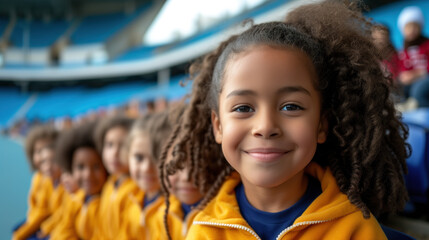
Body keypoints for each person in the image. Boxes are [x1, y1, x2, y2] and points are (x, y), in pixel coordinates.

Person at [162, 1, 410, 239]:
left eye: (291, 106)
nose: (266, 127)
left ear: (321, 124)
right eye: (243, 107)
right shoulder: (203, 231)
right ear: (218, 126)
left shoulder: (355, 230)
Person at [118, 111, 171, 239]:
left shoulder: (174, 210)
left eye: (157, 158)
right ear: (127, 155)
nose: (147, 168)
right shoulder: (129, 198)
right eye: (139, 157)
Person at [50, 122, 107, 239]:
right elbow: (64, 231)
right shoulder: (76, 199)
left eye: (96, 167)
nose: (87, 175)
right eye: (80, 167)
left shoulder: (107, 205)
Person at [155, 104, 204, 240]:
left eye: (197, 164)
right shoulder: (162, 215)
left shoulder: (223, 219)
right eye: (177, 165)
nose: (186, 176)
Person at [92, 116, 139, 240]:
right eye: (109, 145)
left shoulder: (136, 190)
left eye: (123, 145)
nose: (115, 152)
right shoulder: (109, 184)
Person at [13, 125, 59, 240]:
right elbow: (33, 209)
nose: (44, 155)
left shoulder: (56, 180)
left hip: (48, 225)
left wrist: (21, 234)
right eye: (38, 151)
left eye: (49, 149)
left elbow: (44, 213)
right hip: (38, 222)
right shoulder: (37, 177)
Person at [397, 6, 429, 108]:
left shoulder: (426, 44)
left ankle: (421, 108)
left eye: (415, 26)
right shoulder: (404, 49)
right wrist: (404, 75)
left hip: (425, 76)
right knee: (400, 88)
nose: (412, 30)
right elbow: (403, 65)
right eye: (408, 27)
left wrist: (419, 73)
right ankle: (405, 105)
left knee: (418, 91)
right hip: (413, 78)